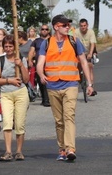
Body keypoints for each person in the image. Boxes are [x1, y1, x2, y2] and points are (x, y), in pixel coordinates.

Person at [36, 14, 95, 161]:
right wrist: (41, 74)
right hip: (53, 85)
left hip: (71, 84)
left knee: (69, 116)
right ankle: (62, 149)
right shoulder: (47, 43)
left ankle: (70, 149)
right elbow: (40, 63)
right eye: (65, 25)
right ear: (56, 27)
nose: (68, 27)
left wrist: (89, 84)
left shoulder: (74, 41)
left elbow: (83, 61)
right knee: (59, 120)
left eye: (68, 25)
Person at [0, 35, 30, 162]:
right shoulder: (0, 60)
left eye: (10, 46)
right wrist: (10, 80)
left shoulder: (21, 59)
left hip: (20, 93)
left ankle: (19, 151)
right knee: (7, 123)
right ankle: (8, 151)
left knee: (19, 124)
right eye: (6, 47)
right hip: (6, 94)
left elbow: (26, 79)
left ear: (15, 47)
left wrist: (21, 66)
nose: (8, 49)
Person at [28, 24, 51, 107]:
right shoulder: (36, 41)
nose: (44, 31)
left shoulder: (52, 40)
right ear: (40, 31)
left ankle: (47, 100)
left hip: (50, 64)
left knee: (48, 82)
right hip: (39, 64)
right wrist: (30, 60)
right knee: (40, 81)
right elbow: (31, 51)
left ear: (49, 30)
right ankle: (44, 98)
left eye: (46, 29)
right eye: (42, 29)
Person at [74, 18, 98, 96]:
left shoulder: (91, 32)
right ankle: (81, 81)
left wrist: (90, 53)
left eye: (84, 25)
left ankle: (91, 86)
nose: (83, 27)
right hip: (79, 52)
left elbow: (92, 44)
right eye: (81, 26)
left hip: (88, 51)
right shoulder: (76, 32)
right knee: (78, 67)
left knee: (89, 67)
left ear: (87, 25)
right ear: (79, 26)